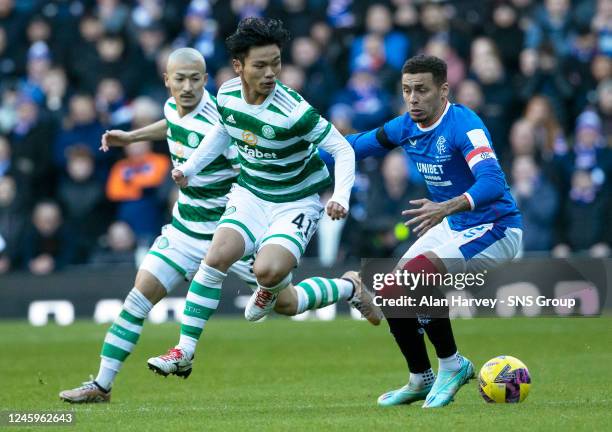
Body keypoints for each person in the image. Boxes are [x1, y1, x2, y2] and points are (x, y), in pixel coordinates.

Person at [147, 18, 382, 378]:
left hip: (296, 201)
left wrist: (341, 196)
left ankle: (349, 286)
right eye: (261, 64)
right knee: (216, 257)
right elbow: (223, 130)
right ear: (239, 66)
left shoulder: (292, 111)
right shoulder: (225, 93)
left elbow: (342, 149)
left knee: (270, 276)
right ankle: (184, 351)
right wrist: (190, 168)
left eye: (276, 63)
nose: (271, 72)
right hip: (252, 193)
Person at [58, 47, 257, 404]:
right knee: (137, 299)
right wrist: (131, 137)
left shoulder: (219, 124)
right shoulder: (170, 106)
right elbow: (172, 122)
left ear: (206, 81)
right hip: (182, 231)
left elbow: (249, 171)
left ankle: (348, 287)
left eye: (195, 79)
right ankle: (101, 386)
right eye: (179, 79)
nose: (187, 86)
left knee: (286, 301)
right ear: (166, 80)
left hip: (225, 236)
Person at [329, 55, 523, 408]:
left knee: (419, 276)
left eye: (421, 89)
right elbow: (353, 148)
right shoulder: (405, 127)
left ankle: (453, 364)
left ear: (443, 89)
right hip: (454, 224)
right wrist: (304, 149)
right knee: (391, 293)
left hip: (496, 227)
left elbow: (493, 183)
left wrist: (447, 206)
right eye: (406, 90)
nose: (413, 98)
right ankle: (420, 377)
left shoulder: (465, 125)